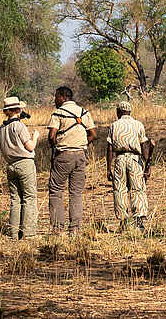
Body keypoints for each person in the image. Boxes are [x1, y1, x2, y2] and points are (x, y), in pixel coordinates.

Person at [47, 86, 96, 236]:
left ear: (63, 97)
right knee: (76, 193)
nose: (55, 100)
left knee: (56, 191)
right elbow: (93, 134)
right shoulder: (84, 112)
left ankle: (58, 228)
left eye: (56, 97)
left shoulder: (58, 113)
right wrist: (81, 143)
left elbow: (51, 136)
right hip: (80, 155)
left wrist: (57, 146)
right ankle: (74, 229)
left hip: (63, 155)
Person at [106, 100, 154, 231]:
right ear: (129, 111)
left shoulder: (114, 125)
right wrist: (146, 164)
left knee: (120, 190)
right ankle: (138, 220)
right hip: (135, 159)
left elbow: (109, 148)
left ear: (118, 112)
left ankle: (124, 221)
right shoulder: (138, 124)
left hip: (120, 159)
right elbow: (144, 145)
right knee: (138, 189)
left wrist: (108, 168)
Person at [0, 96, 39, 239]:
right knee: (29, 197)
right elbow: (30, 146)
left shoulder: (1, 128)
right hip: (24, 163)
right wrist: (35, 137)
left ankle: (14, 233)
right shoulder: (19, 126)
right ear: (18, 109)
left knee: (15, 199)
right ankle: (29, 233)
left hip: (10, 165)